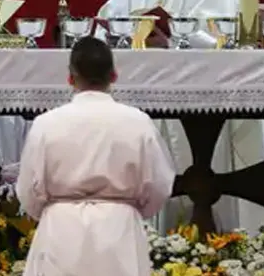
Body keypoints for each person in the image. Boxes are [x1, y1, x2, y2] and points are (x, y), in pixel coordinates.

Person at [97, 0, 263, 232]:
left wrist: (172, 38)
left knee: (196, 184)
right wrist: (128, 34)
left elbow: (224, 41)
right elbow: (106, 22)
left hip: (199, 107)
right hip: (141, 98)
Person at [16, 37, 175, 276]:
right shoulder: (137, 122)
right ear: (113, 76)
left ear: (70, 78)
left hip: (61, 230)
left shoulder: (46, 123)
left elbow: (28, 190)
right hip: (118, 231)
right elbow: (159, 187)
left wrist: (54, 211)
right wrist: (127, 211)